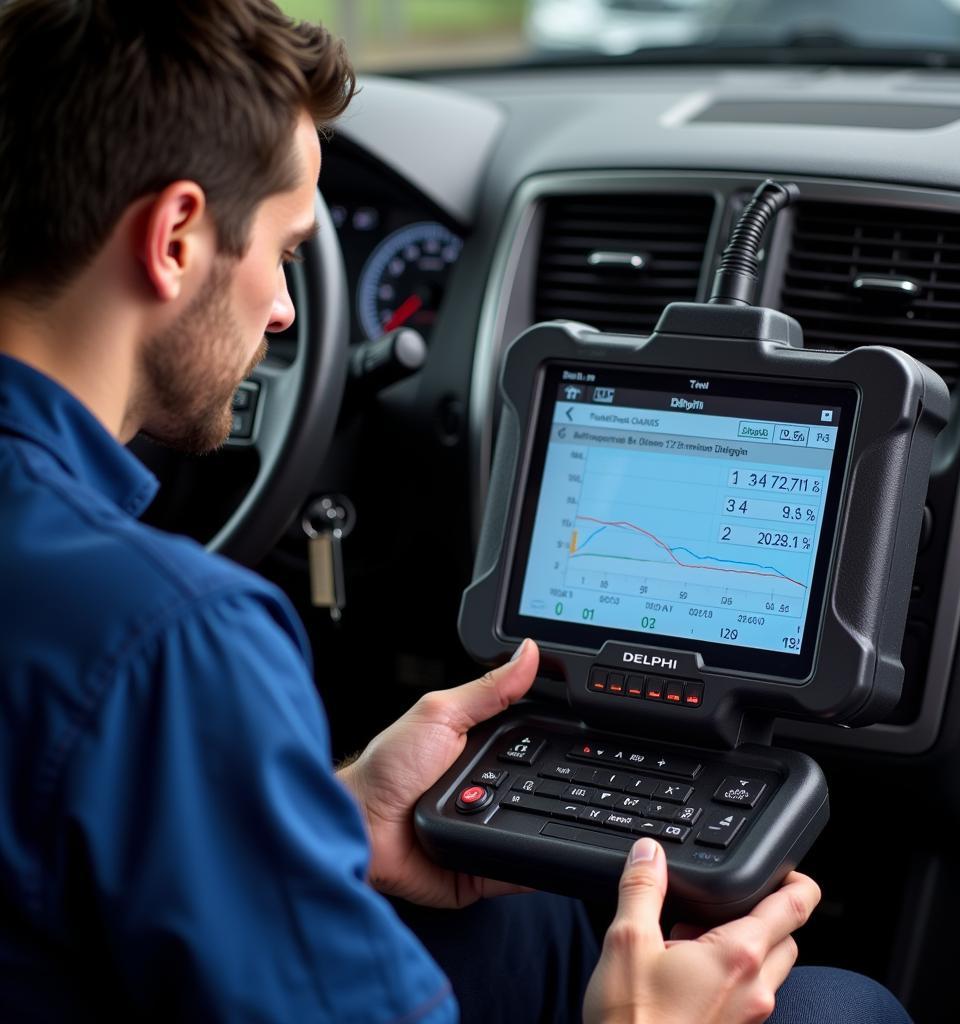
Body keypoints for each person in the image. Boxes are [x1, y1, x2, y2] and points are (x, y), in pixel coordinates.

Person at [0, 1, 913, 1021]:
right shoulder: (168, 639)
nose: (286, 312)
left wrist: (329, 812)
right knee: (841, 1006)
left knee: (531, 918)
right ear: (172, 238)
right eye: (287, 248)